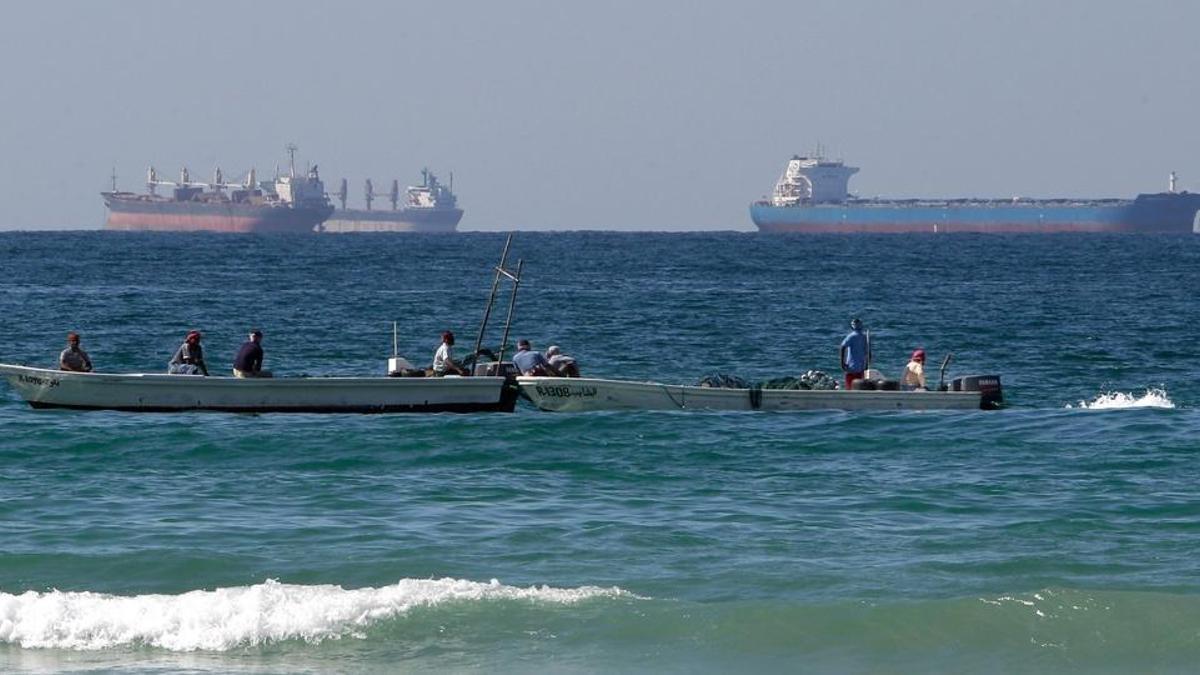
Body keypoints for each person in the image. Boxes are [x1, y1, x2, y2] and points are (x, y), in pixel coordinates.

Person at [839, 318, 870, 390]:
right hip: (861, 367)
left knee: (849, 387)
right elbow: (868, 352)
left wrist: (842, 362)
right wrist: (867, 364)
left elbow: (842, 347)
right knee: (858, 387)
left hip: (851, 367)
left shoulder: (851, 336)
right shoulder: (865, 337)